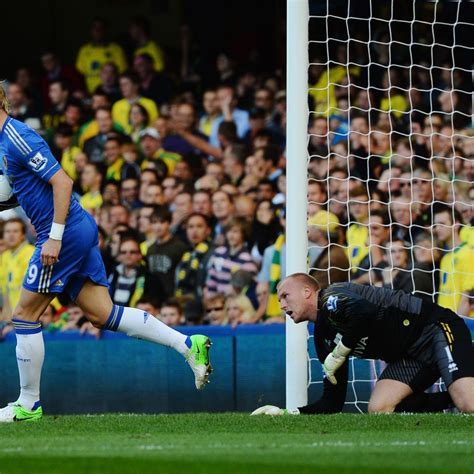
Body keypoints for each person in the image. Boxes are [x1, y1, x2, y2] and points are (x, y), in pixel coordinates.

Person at [0, 84, 212, 423]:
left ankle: (29, 404)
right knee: (102, 314)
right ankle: (188, 345)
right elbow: (26, 188)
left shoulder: (17, 136)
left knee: (24, 315)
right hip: (76, 228)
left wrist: (54, 238)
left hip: (63, 232)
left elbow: (63, 182)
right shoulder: (5, 142)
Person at [252, 273, 474, 416]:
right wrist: (288, 413)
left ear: (307, 292)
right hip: (409, 356)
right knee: (380, 409)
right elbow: (332, 402)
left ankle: (464, 395)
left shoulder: (332, 296)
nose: (282, 305)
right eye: (279, 300)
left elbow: (365, 312)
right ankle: (453, 398)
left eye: (285, 296)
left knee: (470, 406)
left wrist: (340, 352)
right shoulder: (323, 337)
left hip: (435, 329)